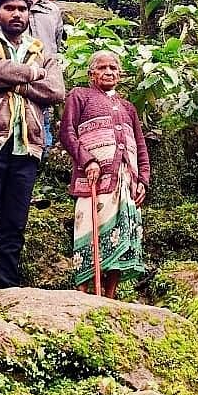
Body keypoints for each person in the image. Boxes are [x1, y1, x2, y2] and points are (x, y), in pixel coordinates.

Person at [0, 0, 66, 290]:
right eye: (10, 8)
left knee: (15, 220)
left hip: (28, 145)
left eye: (22, 9)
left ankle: (8, 284)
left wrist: (17, 82)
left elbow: (56, 91)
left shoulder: (41, 51)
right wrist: (32, 75)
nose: (17, 14)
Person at [59, 51, 149, 298]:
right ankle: (84, 292)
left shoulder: (128, 107)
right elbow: (67, 133)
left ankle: (110, 294)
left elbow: (140, 146)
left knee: (122, 231)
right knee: (89, 229)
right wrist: (87, 160)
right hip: (93, 179)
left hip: (125, 180)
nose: (108, 72)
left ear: (119, 74)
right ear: (91, 74)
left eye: (113, 68)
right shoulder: (80, 96)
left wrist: (142, 180)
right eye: (102, 68)